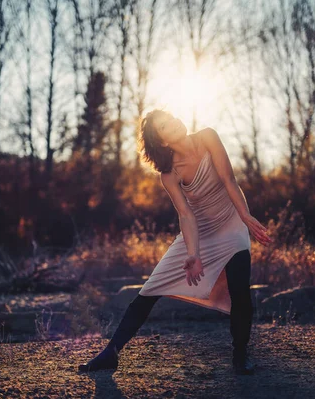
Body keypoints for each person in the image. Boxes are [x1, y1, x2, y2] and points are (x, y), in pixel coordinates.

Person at [77, 109, 273, 375]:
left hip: (231, 224)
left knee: (240, 292)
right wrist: (193, 253)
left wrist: (245, 215)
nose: (174, 122)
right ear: (163, 142)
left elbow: (229, 180)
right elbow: (186, 214)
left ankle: (240, 355)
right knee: (150, 288)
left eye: (170, 118)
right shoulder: (169, 174)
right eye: (165, 127)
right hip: (199, 231)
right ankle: (111, 352)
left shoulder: (208, 137)